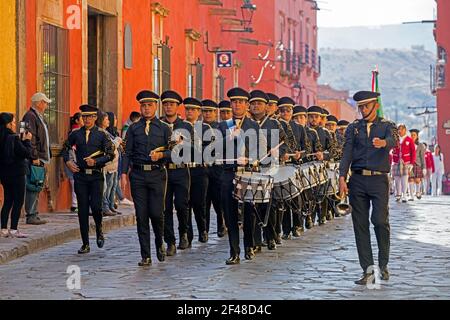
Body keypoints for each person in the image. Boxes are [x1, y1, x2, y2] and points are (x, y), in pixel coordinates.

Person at [339, 91, 399, 285]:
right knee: (360, 225)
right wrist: (341, 177)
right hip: (357, 180)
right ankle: (368, 270)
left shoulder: (387, 126)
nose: (363, 110)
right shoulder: (353, 128)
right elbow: (346, 152)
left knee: (380, 221)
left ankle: (383, 265)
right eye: (361, 107)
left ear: (375, 106)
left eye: (366, 106)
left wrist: (384, 143)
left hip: (379, 180)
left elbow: (395, 141)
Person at [121, 90, 171, 266]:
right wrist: (123, 174)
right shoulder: (134, 129)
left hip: (157, 174)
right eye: (143, 106)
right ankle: (145, 255)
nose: (147, 108)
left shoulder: (165, 128)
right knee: (141, 216)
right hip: (139, 176)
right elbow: (127, 153)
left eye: (150, 105)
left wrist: (162, 155)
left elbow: (174, 152)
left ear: (156, 107)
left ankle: (159, 243)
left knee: (157, 214)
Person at [63, 105, 115, 254]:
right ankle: (85, 243)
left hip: (96, 175)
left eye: (89, 117)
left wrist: (97, 162)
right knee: (83, 209)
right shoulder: (75, 134)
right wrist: (68, 162)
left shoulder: (102, 135)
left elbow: (110, 154)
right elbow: (65, 148)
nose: (86, 120)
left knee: (96, 207)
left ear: (94, 118)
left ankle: (99, 229)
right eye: (84, 117)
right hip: (81, 175)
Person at [218, 87, 262, 265]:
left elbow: (259, 151)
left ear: (246, 105)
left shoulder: (253, 126)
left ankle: (249, 246)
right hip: (229, 174)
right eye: (234, 102)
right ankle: (234, 251)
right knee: (230, 214)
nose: (237, 105)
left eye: (241, 102)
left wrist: (251, 159)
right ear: (231, 104)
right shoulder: (223, 126)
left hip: (248, 175)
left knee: (249, 212)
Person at [160, 90, 192, 255]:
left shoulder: (186, 126)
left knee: (181, 205)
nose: (168, 107)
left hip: (181, 170)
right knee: (165, 208)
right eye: (165, 104)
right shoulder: (159, 125)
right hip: (163, 172)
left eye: (171, 104)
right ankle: (170, 241)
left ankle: (183, 234)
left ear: (178, 107)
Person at [0, 113, 33, 238]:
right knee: (18, 201)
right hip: (17, 173)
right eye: (13, 122)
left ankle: (3, 228)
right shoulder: (13, 138)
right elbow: (26, 153)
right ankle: (13, 229)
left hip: (4, 174)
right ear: (8, 124)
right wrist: (27, 141)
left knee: (8, 200)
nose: (14, 125)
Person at [22, 92, 52, 225]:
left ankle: (34, 213)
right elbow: (28, 137)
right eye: (45, 102)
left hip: (41, 157)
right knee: (33, 185)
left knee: (37, 184)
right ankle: (31, 214)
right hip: (34, 158)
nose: (46, 105)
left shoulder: (39, 117)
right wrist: (34, 156)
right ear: (39, 103)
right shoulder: (29, 116)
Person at [202, 99, 227, 238]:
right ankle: (204, 229)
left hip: (218, 168)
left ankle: (221, 224)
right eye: (205, 111)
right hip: (203, 168)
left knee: (218, 200)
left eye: (210, 111)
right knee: (204, 200)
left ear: (215, 112)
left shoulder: (220, 127)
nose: (207, 114)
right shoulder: (198, 128)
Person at [97, 112, 122, 217]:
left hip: (113, 165)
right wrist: (117, 141)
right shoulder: (100, 132)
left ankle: (110, 205)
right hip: (106, 165)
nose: (109, 121)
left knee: (111, 186)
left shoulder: (106, 132)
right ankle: (105, 207)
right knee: (105, 188)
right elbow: (110, 146)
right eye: (106, 119)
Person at [391, 124, 416, 203]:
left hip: (406, 162)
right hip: (396, 161)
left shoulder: (409, 139)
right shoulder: (396, 139)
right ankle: (398, 194)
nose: (400, 131)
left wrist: (411, 163)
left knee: (404, 179)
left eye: (401, 129)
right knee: (397, 179)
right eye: (399, 129)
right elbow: (392, 148)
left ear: (405, 130)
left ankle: (404, 195)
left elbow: (413, 152)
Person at [65, 113, 84, 213]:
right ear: (76, 121)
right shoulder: (76, 132)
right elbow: (71, 149)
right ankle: (74, 204)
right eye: (82, 118)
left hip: (73, 159)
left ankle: (75, 203)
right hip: (74, 160)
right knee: (75, 183)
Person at [408, 129, 425, 200]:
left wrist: (424, 168)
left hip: (418, 164)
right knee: (410, 179)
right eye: (411, 135)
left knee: (417, 180)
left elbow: (422, 157)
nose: (412, 136)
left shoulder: (421, 145)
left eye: (414, 135)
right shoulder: (408, 143)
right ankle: (411, 195)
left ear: (417, 136)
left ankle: (418, 192)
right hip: (409, 164)